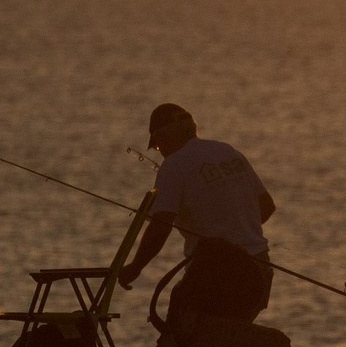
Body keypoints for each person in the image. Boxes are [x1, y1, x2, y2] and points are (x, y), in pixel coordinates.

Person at [118, 103, 275, 334]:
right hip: (260, 270)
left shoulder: (174, 165)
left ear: (166, 136)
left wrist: (135, 267)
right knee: (229, 338)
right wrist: (233, 226)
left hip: (217, 275)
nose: (160, 152)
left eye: (159, 145)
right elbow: (266, 206)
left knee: (181, 339)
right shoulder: (227, 151)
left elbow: (161, 226)